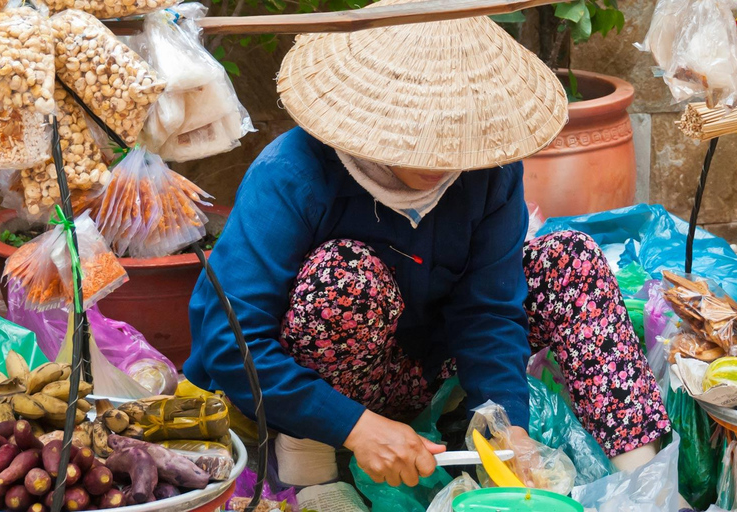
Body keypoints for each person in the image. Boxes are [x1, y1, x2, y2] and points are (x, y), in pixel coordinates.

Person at [185, 0, 671, 491]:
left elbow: (489, 311)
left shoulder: (489, 171)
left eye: (453, 137)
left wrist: (508, 424)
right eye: (418, 136)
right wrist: (353, 427)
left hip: (429, 366)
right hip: (321, 380)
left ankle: (644, 479)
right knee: (343, 274)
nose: (439, 157)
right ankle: (310, 449)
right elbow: (230, 342)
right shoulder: (291, 174)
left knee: (571, 257)